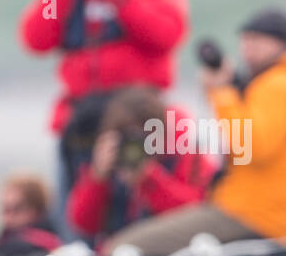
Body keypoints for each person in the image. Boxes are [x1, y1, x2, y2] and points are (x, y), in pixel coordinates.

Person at [104, 9, 286, 256]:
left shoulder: (277, 84)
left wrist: (221, 93)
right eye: (244, 41)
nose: (247, 50)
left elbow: (250, 146)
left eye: (257, 40)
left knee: (122, 248)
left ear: (283, 44)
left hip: (251, 215)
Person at [18, 0, 188, 218]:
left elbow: (168, 33)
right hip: (81, 119)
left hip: (139, 115)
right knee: (79, 207)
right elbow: (36, 39)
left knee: (140, 198)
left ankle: (147, 252)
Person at [66, 85, 215, 246]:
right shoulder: (110, 163)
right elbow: (83, 224)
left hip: (167, 250)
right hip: (117, 253)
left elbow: (197, 213)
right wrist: (97, 177)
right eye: (128, 138)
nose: (134, 146)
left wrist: (149, 179)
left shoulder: (184, 156)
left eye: (143, 138)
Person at [0, 172, 63, 256]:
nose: (7, 218)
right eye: (4, 209)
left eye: (16, 209)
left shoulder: (26, 247)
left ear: (35, 210)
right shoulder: (7, 237)